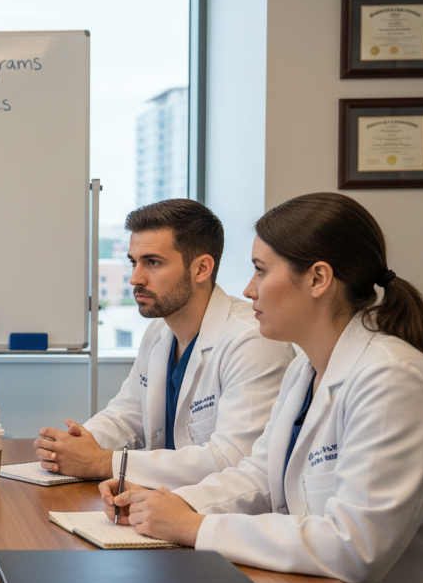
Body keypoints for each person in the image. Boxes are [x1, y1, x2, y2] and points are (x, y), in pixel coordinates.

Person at [105, 192, 423, 583]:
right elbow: (258, 476)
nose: (247, 290)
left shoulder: (393, 378)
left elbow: (354, 546)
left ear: (317, 278)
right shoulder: (305, 369)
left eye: (260, 271)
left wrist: (194, 528)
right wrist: (165, 503)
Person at [36, 199, 293, 487]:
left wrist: (100, 461)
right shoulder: (160, 331)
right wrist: (74, 445)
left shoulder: (251, 341)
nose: (135, 278)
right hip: (157, 505)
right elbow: (126, 416)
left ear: (201, 269)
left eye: (153, 263)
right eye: (134, 262)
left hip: (219, 517)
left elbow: (232, 459)